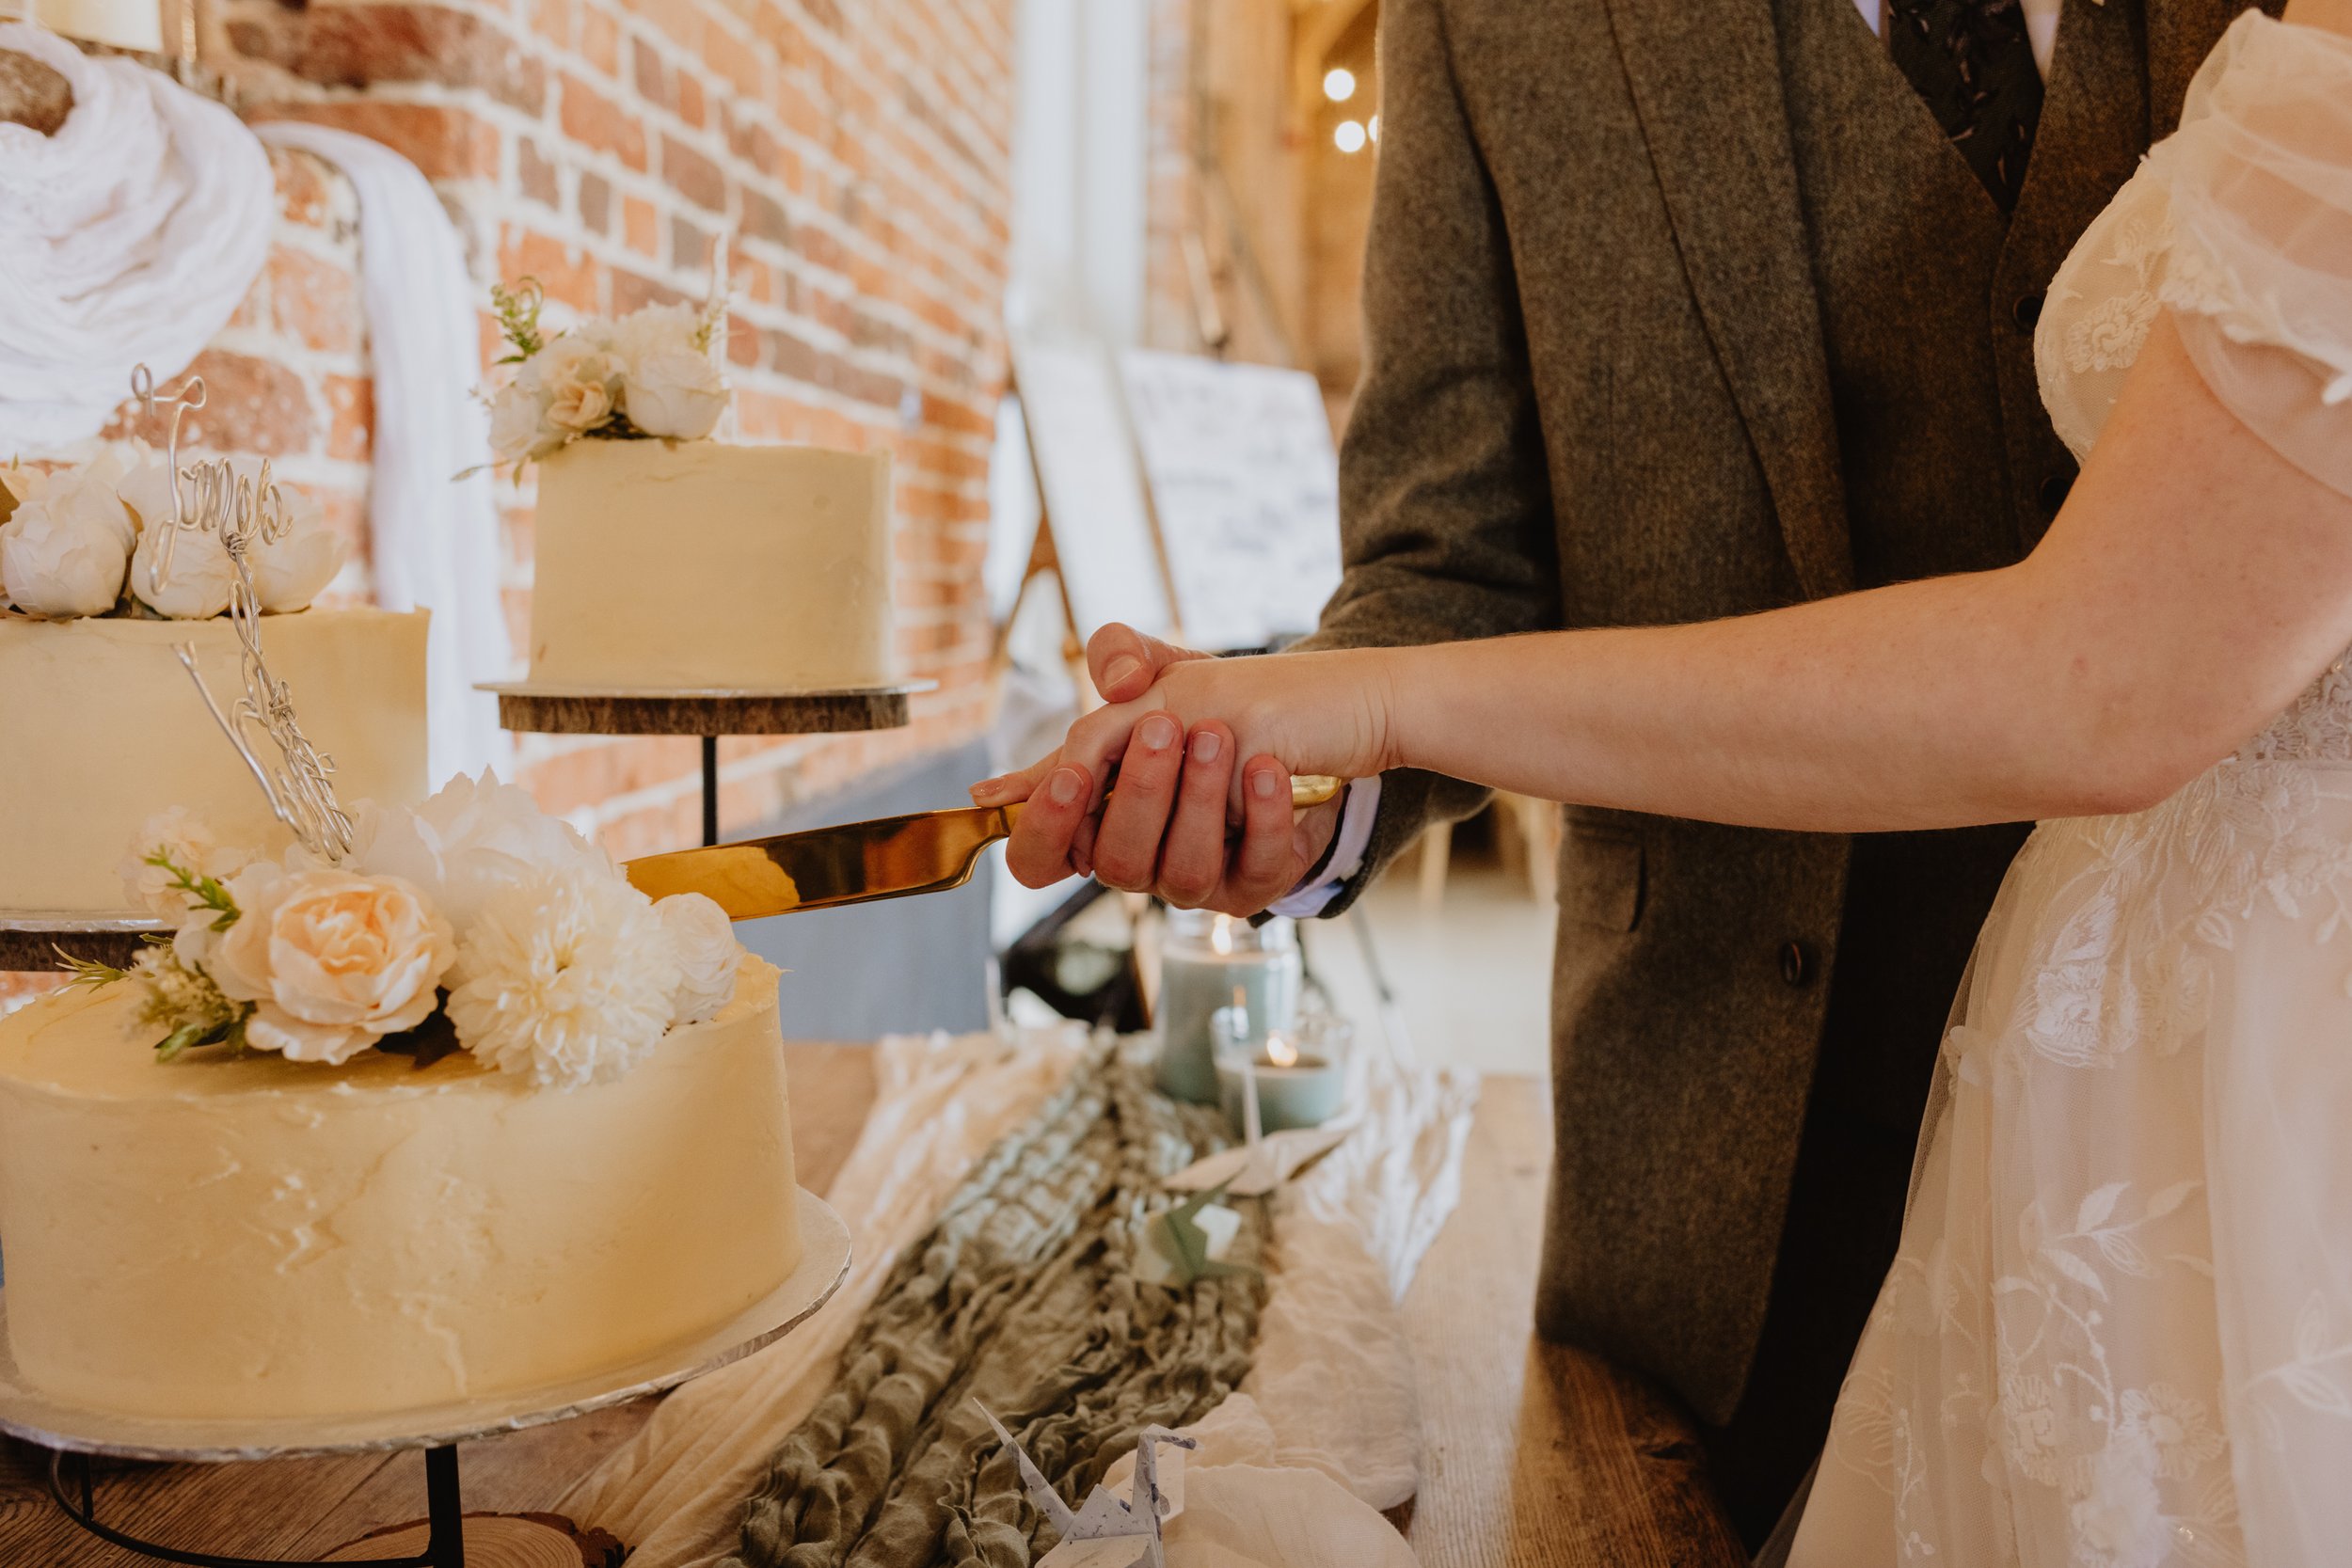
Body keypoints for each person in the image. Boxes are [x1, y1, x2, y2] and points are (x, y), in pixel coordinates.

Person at [976, 1, 2352, 1560]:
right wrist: (1313, 791)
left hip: (2243, 1154)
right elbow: (1450, 557)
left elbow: (2109, 666)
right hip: (1722, 1167)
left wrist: (1380, 704)